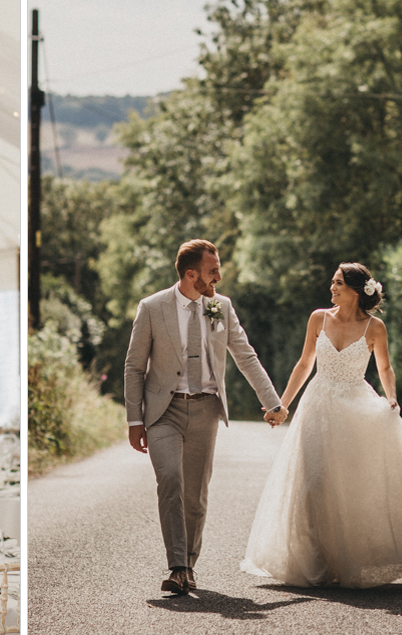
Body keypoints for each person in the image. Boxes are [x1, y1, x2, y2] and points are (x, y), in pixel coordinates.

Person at [241, 263, 402, 589]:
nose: (332, 288)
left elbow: (385, 367)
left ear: (355, 289)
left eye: (337, 283)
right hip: (317, 408)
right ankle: (321, 562)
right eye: (333, 282)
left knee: (356, 489)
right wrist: (282, 404)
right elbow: (305, 363)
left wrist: (391, 398)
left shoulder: (375, 327)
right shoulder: (318, 318)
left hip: (355, 409)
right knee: (314, 484)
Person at [124, 239, 284, 595]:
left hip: (206, 409)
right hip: (163, 411)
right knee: (170, 480)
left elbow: (246, 355)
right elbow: (134, 367)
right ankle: (177, 565)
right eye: (213, 271)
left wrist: (272, 403)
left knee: (195, 494)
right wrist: (135, 420)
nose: (219, 277)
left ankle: (188, 567)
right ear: (191, 273)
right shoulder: (152, 307)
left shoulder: (220, 307)